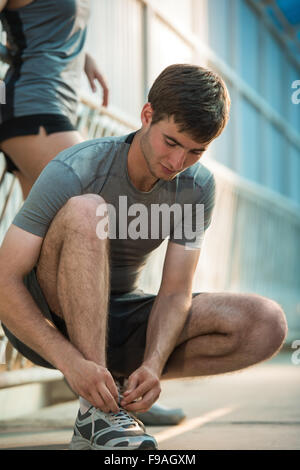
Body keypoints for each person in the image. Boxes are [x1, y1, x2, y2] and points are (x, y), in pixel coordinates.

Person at [0, 64, 287, 450]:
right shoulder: (78, 168)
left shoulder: (197, 186)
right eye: (171, 142)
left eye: (195, 151)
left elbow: (174, 293)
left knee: (265, 322)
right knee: (88, 210)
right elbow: (4, 279)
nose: (177, 162)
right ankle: (95, 410)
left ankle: (121, 392)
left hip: (121, 319)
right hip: (52, 324)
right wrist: (70, 361)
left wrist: (153, 364)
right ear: (147, 116)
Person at [0, 0, 183, 426]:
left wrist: (82, 58)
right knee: (104, 219)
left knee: (51, 257)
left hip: (54, 104)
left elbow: (45, 26)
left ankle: (102, 391)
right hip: (34, 107)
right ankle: (117, 389)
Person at [0, 0, 108, 200]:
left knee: (39, 229)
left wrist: (82, 56)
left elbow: (45, 24)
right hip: (32, 103)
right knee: (97, 197)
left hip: (59, 105)